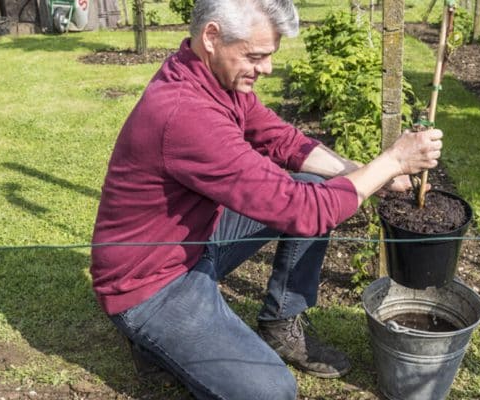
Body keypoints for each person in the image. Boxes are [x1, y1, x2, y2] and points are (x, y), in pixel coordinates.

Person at [89, 0, 443, 398]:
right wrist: (392, 160)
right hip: (151, 282)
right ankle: (151, 339)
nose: (267, 69)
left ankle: (280, 322)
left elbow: (283, 141)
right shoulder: (185, 115)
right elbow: (302, 211)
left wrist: (370, 174)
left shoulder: (212, 77)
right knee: (272, 392)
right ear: (212, 37)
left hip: (195, 242)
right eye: (256, 56)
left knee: (312, 182)